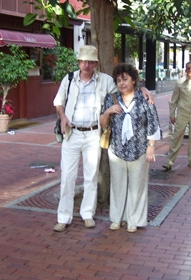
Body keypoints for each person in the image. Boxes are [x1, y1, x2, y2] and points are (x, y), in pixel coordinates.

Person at [52, 45, 153, 232]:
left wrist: (143, 88)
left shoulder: (105, 80)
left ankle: (87, 214)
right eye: (83, 61)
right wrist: (62, 116)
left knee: (91, 176)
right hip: (72, 133)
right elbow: (58, 102)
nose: (86, 65)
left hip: (93, 133)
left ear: (96, 63)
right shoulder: (69, 79)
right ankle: (63, 217)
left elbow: (126, 87)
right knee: (67, 176)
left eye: (90, 61)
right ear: (79, 62)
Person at [100, 64, 161, 233]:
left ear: (134, 80)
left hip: (140, 149)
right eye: (119, 80)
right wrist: (108, 112)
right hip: (117, 150)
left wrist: (151, 147)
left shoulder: (144, 99)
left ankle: (134, 220)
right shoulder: (111, 99)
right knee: (117, 185)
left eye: (125, 79)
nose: (122, 83)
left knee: (137, 187)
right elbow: (103, 125)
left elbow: (153, 123)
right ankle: (117, 218)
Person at [163, 61, 191, 170]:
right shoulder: (180, 83)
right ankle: (169, 161)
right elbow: (174, 100)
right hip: (182, 115)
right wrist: (172, 114)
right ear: (185, 70)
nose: (190, 70)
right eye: (188, 68)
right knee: (176, 138)